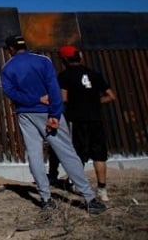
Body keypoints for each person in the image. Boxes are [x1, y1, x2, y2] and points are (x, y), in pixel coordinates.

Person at [0, 35, 106, 214]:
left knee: (34, 155)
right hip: (49, 112)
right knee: (67, 153)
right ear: (24, 45)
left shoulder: (7, 67)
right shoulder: (43, 61)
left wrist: (33, 99)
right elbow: (54, 88)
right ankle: (90, 199)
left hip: (26, 114)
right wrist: (55, 114)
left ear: (10, 49)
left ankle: (46, 199)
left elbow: (10, 92)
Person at [55, 44, 117, 202]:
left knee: (77, 153)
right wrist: (96, 101)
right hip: (96, 118)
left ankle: (77, 184)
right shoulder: (94, 74)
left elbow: (63, 99)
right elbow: (111, 96)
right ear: (80, 56)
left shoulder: (64, 76)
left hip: (77, 119)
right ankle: (102, 190)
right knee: (99, 155)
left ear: (63, 60)